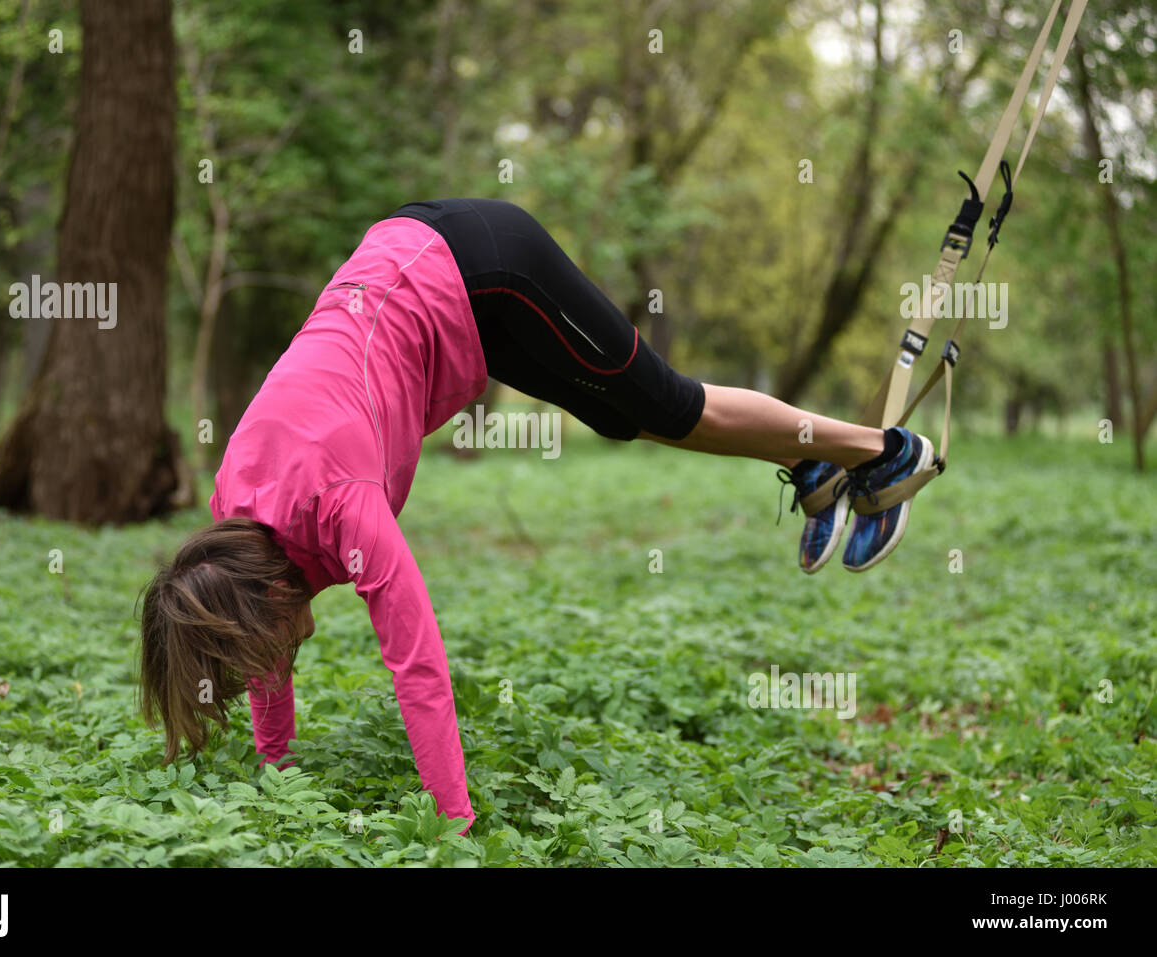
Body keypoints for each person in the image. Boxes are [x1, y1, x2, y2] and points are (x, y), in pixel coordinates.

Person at [138, 198, 936, 835]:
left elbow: (417, 663)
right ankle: (809, 461)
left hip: (486, 269)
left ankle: (881, 451)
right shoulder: (236, 529)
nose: (260, 675)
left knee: (667, 401)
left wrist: (451, 825)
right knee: (630, 415)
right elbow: (259, 638)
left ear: (270, 601)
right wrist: (275, 772)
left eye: (251, 663)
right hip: (422, 271)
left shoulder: (342, 500)